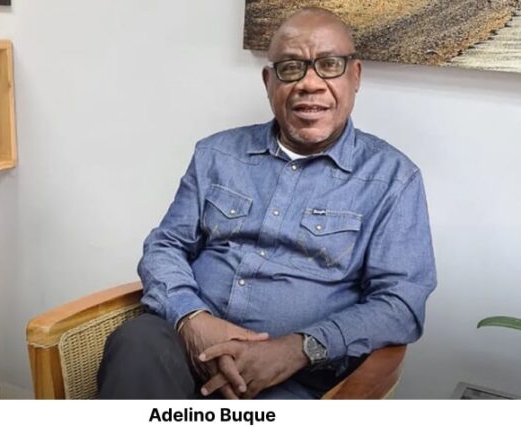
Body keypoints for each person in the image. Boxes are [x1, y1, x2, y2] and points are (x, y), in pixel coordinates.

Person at [97, 7, 437, 399]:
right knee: (136, 341)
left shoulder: (393, 180)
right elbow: (165, 245)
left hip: (295, 377)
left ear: (355, 76)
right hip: (188, 350)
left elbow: (401, 304)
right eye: (291, 68)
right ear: (268, 81)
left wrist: (299, 348)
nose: (310, 83)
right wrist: (192, 318)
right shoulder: (216, 154)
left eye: (329, 65)